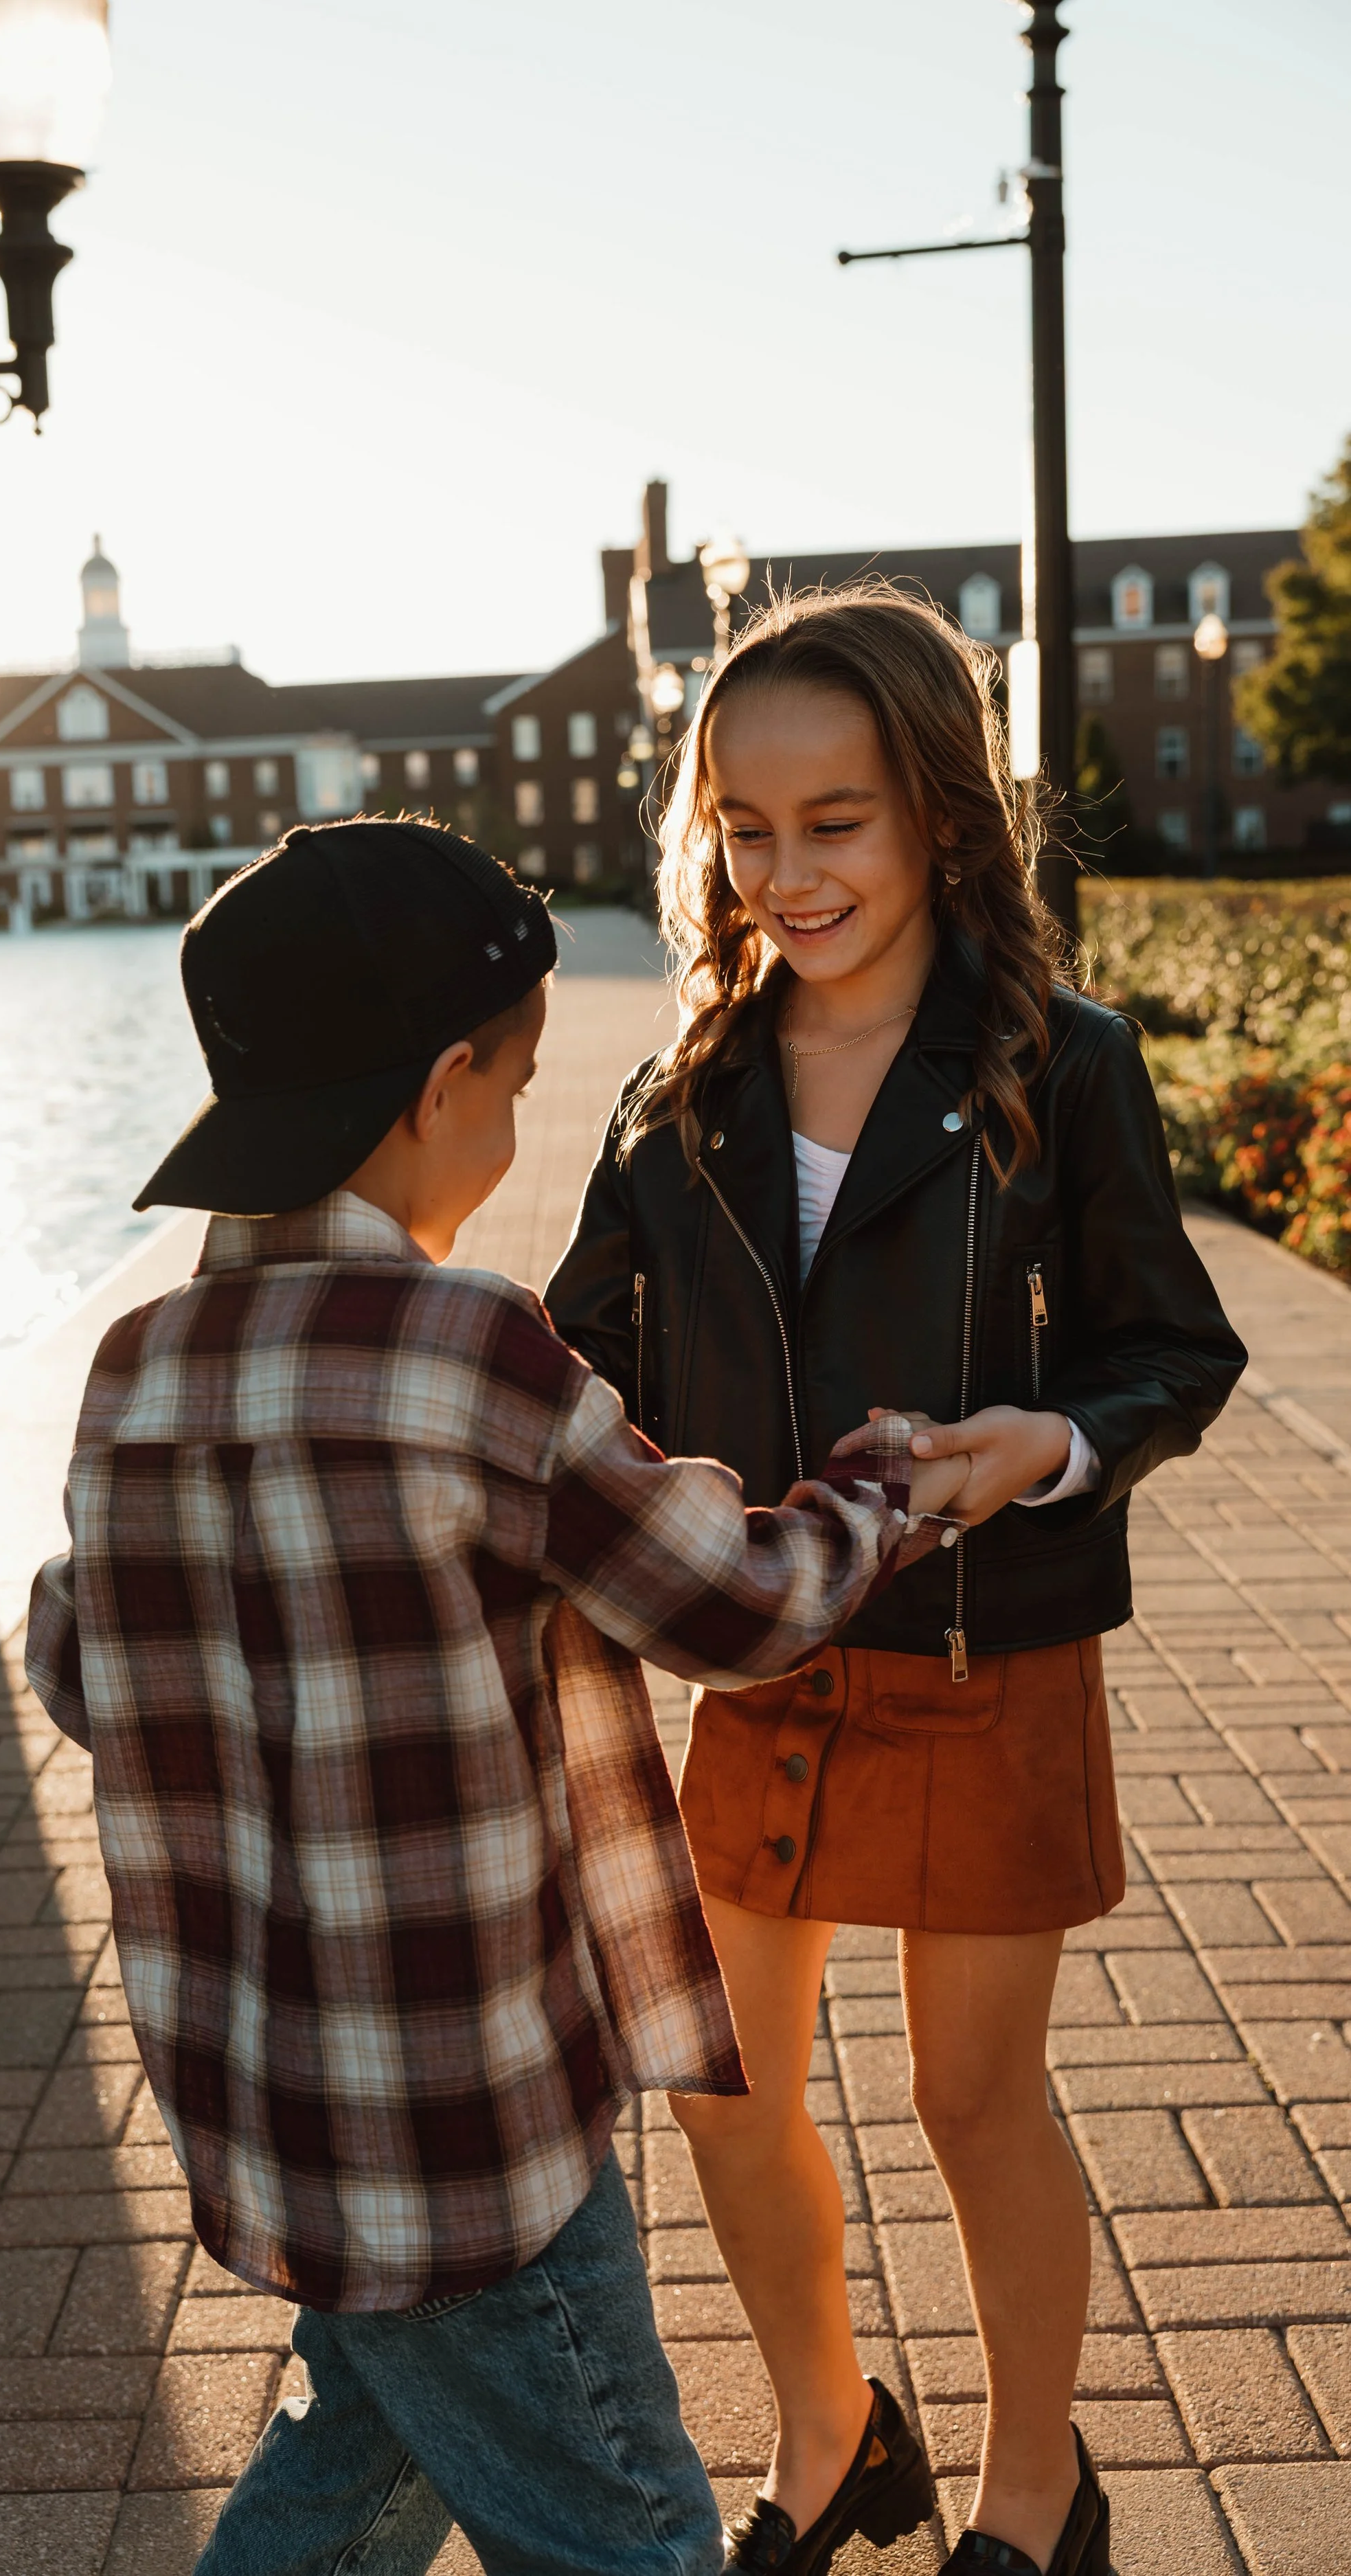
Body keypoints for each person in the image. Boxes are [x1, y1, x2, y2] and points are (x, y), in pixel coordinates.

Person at [23, 817, 968, 2576]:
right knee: (628, 2530)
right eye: (520, 1082)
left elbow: (79, 1665)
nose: (521, 1123)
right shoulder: (469, 1354)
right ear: (444, 1082)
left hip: (271, 2101)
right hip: (471, 2143)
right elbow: (740, 1602)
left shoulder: (131, 1370)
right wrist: (887, 1483)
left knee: (356, 2464)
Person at [545, 590, 1247, 2576]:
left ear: (938, 814)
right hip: (762, 1659)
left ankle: (1039, 2489)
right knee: (716, 2088)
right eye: (746, 827)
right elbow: (567, 1364)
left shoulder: (1061, 1062)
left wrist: (1049, 1443)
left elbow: (1169, 1348)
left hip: (983, 1656)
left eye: (834, 820)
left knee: (966, 2092)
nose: (786, 872)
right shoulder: (670, 1097)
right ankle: (830, 2427)